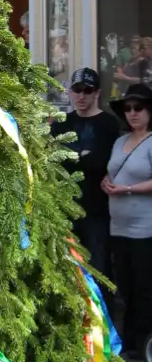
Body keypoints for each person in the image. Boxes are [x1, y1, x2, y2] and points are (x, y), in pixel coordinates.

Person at [50, 68, 119, 280]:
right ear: (70, 92)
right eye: (77, 90)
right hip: (65, 207)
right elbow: (54, 158)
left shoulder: (108, 123)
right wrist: (84, 156)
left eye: (87, 91)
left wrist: (73, 157)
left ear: (96, 93)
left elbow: (102, 162)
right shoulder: (62, 122)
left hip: (96, 210)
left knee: (97, 268)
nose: (81, 96)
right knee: (66, 269)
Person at [102, 84, 152, 359]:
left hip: (145, 228)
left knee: (144, 286)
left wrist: (127, 190)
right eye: (128, 108)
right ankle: (129, 336)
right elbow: (113, 171)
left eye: (139, 108)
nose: (133, 113)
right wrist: (108, 183)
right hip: (118, 226)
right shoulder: (120, 142)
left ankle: (142, 341)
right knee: (126, 284)